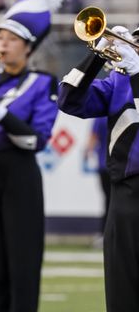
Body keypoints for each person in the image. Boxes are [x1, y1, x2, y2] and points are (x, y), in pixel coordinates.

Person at [0, 0, 79, 312]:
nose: (1, 44)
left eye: (10, 39)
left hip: (21, 179)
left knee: (22, 268)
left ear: (28, 46)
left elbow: (36, 139)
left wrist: (1, 114)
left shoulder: (42, 83)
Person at [58, 21, 139, 312]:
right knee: (122, 296)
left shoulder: (132, 78)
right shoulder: (120, 81)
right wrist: (96, 56)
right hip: (126, 199)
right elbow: (69, 100)